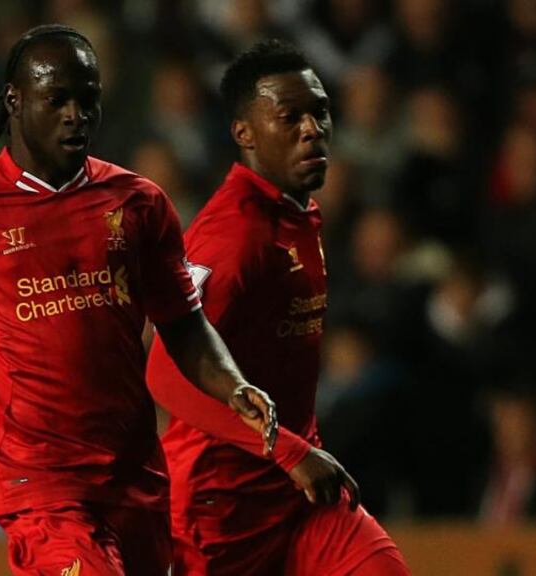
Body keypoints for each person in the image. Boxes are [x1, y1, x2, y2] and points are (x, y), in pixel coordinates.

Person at [0, 25, 277, 576]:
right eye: (57, 98)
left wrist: (233, 385)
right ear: (14, 100)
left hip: (134, 476)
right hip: (38, 485)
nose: (75, 114)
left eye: (88, 99)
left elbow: (183, 322)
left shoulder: (139, 204)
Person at [147, 40, 410, 576]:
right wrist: (286, 449)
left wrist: (295, 453)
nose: (312, 129)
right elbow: (165, 370)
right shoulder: (234, 234)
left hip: (300, 494)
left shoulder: (297, 215)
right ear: (243, 133)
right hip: (221, 508)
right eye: (290, 117)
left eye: (320, 112)